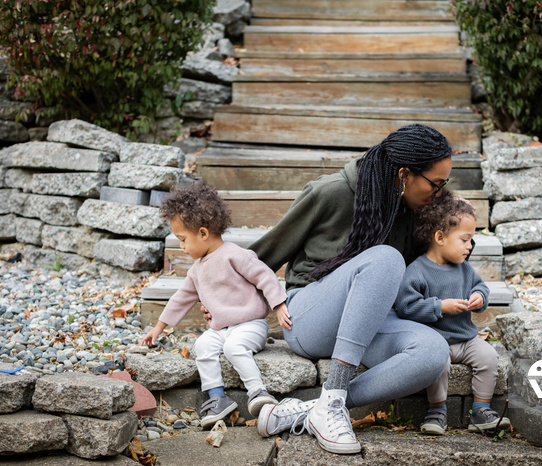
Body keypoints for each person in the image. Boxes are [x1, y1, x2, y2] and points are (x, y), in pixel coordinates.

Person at [245, 124, 453, 454]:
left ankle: (321, 405)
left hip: (367, 325)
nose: (439, 193)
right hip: (309, 318)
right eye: (436, 184)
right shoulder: (329, 193)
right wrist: (221, 306)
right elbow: (259, 258)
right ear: (404, 175)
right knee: (385, 259)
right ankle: (330, 406)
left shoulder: (414, 211)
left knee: (434, 352)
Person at [141, 183, 285, 428]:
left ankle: (258, 392)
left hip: (250, 325)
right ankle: (217, 397)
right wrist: (158, 327)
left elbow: (265, 276)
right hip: (220, 329)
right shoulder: (196, 271)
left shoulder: (234, 255)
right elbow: (181, 298)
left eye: (183, 240)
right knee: (203, 344)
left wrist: (279, 304)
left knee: (234, 347)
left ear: (203, 233)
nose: (182, 247)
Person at [395, 192, 510, 435]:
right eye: (465, 240)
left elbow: (480, 286)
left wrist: (480, 297)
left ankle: (480, 410)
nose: (470, 247)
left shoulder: (464, 268)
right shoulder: (416, 271)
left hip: (466, 339)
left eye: (471, 240)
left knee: (488, 357)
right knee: (439, 365)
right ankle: (437, 410)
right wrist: (440, 307)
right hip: (436, 340)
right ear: (440, 237)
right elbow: (406, 306)